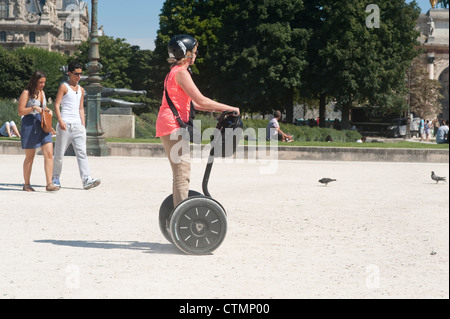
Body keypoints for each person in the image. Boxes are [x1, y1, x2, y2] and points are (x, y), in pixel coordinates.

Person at [156, 34, 239, 207]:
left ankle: (177, 213)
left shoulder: (175, 72)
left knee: (180, 172)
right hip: (173, 126)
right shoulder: (181, 73)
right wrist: (230, 108)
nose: (196, 54)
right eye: (194, 51)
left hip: (169, 125)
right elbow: (201, 100)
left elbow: (194, 104)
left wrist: (222, 108)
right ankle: (180, 219)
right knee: (182, 172)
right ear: (185, 53)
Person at [52, 62, 101, 190]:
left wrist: (82, 125)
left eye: (80, 74)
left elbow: (80, 108)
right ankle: (55, 178)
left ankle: (86, 179)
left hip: (78, 126)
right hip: (65, 124)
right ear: (69, 73)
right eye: (76, 74)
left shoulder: (81, 90)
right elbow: (57, 105)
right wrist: (61, 121)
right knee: (59, 154)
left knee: (82, 153)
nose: (79, 76)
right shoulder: (64, 87)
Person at [17, 71, 59, 192]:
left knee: (49, 154)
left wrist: (48, 110)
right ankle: (26, 184)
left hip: (42, 124)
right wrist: (32, 108)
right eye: (41, 82)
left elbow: (43, 107)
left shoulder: (42, 93)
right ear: (34, 81)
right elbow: (20, 112)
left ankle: (49, 184)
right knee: (30, 157)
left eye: (44, 82)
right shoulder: (26, 93)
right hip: (30, 125)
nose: (43, 84)